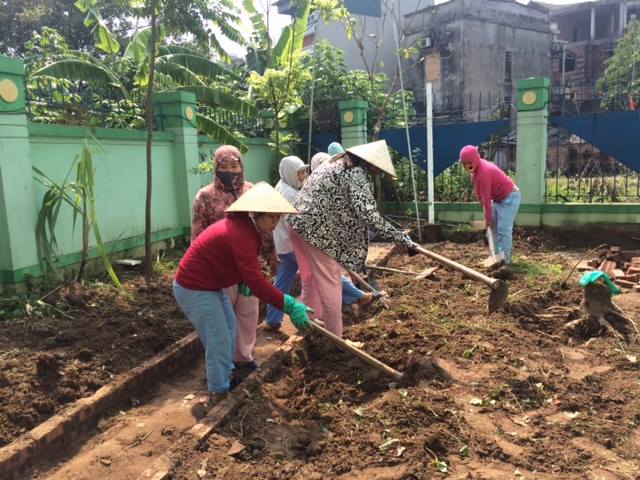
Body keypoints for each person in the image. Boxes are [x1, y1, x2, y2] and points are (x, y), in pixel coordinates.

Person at [173, 182, 311, 408]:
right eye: (271, 217)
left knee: (229, 327)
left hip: (211, 285)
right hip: (194, 287)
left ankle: (226, 376)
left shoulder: (248, 229)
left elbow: (244, 269)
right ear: (256, 214)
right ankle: (218, 393)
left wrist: (245, 280)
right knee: (218, 338)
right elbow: (256, 281)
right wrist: (288, 303)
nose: (275, 222)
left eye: (278, 218)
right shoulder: (242, 233)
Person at [289, 140, 417, 337]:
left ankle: (308, 326)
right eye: (378, 168)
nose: (378, 172)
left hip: (297, 223)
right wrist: (403, 240)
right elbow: (368, 215)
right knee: (331, 284)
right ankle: (335, 338)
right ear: (370, 162)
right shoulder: (355, 172)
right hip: (316, 232)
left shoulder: (335, 162)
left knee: (310, 280)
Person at [191, 145, 262, 371]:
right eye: (224, 166)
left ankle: (244, 356)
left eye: (234, 166)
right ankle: (226, 361)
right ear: (215, 167)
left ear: (241, 167)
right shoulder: (205, 196)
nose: (230, 171)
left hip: (248, 264)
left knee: (248, 312)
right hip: (221, 266)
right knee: (224, 316)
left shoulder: (251, 191)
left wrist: (270, 257)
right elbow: (198, 235)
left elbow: (263, 226)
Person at [264, 156, 308, 330]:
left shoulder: (281, 187)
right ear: (290, 173)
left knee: (282, 282)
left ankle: (272, 319)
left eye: (303, 172)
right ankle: (356, 295)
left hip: (283, 244)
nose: (303, 176)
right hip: (293, 245)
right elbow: (298, 222)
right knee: (322, 272)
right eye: (299, 173)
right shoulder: (289, 193)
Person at [459, 145, 521, 264]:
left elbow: (487, 197)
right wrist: (481, 204)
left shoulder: (484, 171)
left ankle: (505, 261)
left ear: (475, 159)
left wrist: (487, 217)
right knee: (492, 230)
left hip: (510, 198)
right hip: (498, 199)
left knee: (503, 230)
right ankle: (496, 257)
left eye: (469, 163)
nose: (467, 166)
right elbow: (478, 189)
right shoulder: (476, 169)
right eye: (464, 164)